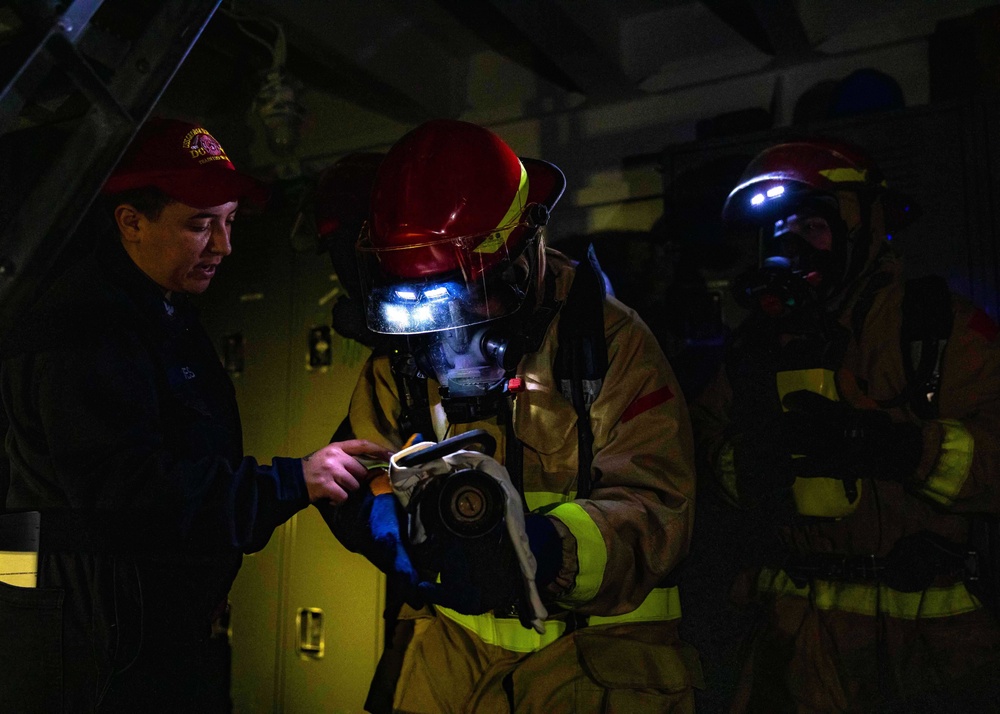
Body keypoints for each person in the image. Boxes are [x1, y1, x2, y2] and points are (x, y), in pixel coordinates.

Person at [0, 117, 392, 713]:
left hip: (127, 620)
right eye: (200, 225)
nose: (224, 247)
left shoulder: (153, 312)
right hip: (85, 627)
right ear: (130, 222)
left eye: (230, 222)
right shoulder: (86, 329)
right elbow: (133, 492)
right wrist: (294, 480)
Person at [325, 119, 702, 713]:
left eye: (471, 296)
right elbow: (357, 470)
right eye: (425, 301)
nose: (452, 337)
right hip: (448, 664)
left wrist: (547, 548)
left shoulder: (612, 342)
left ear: (527, 254)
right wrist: (381, 518)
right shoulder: (404, 354)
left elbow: (658, 509)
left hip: (588, 667)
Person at [691, 138, 1000, 712]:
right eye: (778, 230)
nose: (790, 244)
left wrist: (903, 450)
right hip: (791, 651)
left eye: (811, 226)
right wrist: (746, 466)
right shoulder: (754, 349)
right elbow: (699, 455)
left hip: (932, 657)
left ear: (861, 227)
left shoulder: (937, 327)